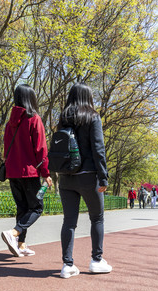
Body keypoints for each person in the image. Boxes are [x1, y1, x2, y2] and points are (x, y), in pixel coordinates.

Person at [56, 83, 112, 279]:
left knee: (69, 222)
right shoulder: (93, 116)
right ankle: (96, 261)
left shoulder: (63, 117)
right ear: (88, 97)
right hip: (89, 176)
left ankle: (67, 265)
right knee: (97, 218)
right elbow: (98, 148)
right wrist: (103, 176)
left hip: (66, 177)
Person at [0, 84, 53, 257]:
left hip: (12, 172)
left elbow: (6, 147)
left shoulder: (10, 123)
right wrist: (46, 173)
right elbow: (40, 149)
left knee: (22, 208)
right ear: (31, 98)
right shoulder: (34, 119)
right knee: (37, 208)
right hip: (29, 172)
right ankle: (14, 233)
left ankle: (21, 245)